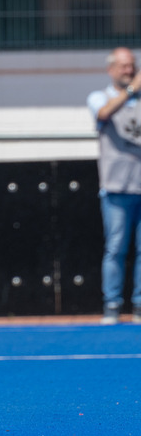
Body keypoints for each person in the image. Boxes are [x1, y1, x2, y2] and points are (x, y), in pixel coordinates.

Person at [87, 46, 141, 325]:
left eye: (132, 65)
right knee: (116, 247)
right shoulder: (99, 97)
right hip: (116, 187)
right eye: (123, 66)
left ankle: (139, 305)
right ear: (111, 69)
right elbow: (105, 114)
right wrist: (131, 91)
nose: (129, 70)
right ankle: (112, 304)